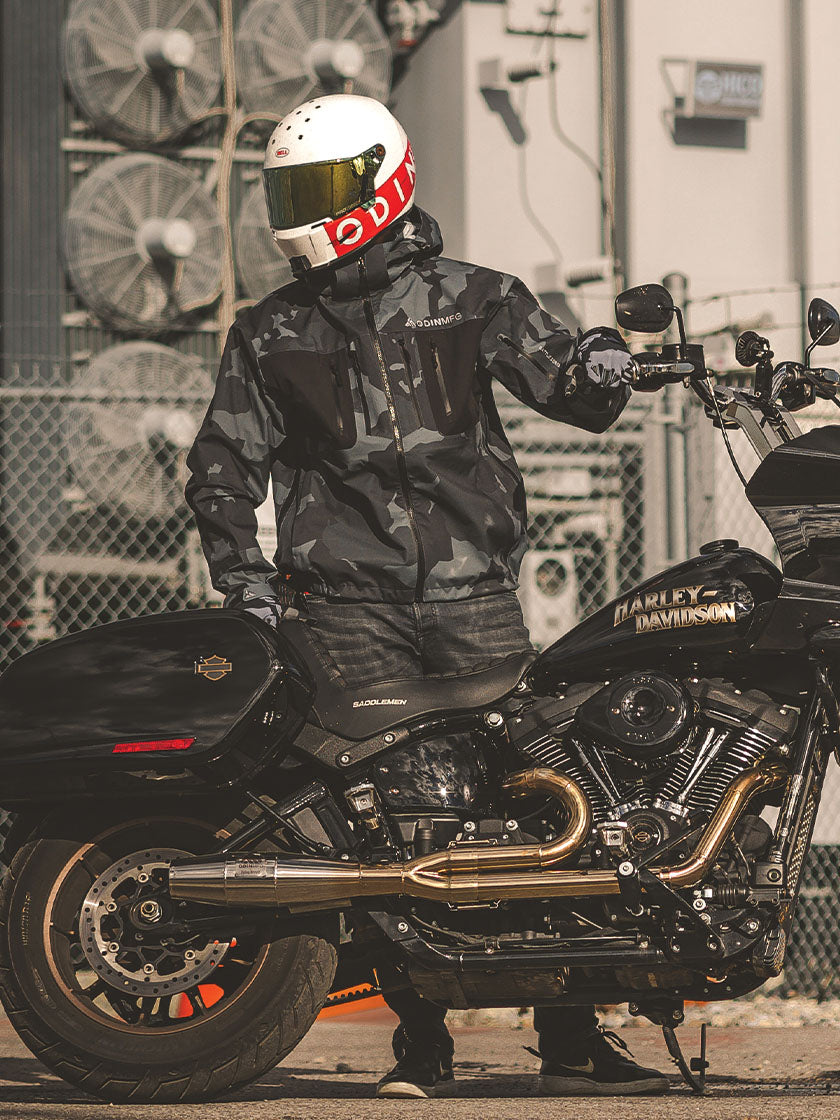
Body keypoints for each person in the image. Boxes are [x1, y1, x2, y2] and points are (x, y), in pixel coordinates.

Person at [185, 93, 669, 1099]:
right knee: (398, 821)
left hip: (475, 598)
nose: (299, 211)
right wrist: (246, 586)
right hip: (342, 609)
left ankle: (571, 1037)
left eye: (319, 188)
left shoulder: (476, 299)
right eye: (289, 191)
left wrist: (604, 362)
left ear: (383, 180)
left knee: (544, 799)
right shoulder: (269, 330)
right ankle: (423, 1048)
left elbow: (577, 396)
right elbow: (221, 467)